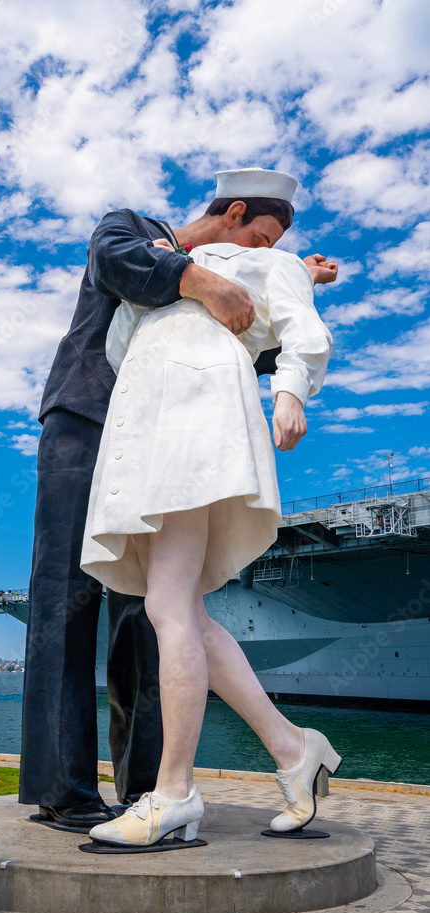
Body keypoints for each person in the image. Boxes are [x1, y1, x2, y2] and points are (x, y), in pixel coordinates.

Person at [19, 165, 338, 832]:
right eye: (259, 236)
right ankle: (65, 788)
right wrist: (201, 278)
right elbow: (115, 261)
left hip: (168, 434)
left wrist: (288, 285)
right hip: (88, 423)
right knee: (65, 600)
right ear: (233, 211)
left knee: (154, 614)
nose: (261, 252)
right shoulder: (133, 228)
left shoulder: (240, 272)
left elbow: (236, 347)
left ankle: (150, 787)